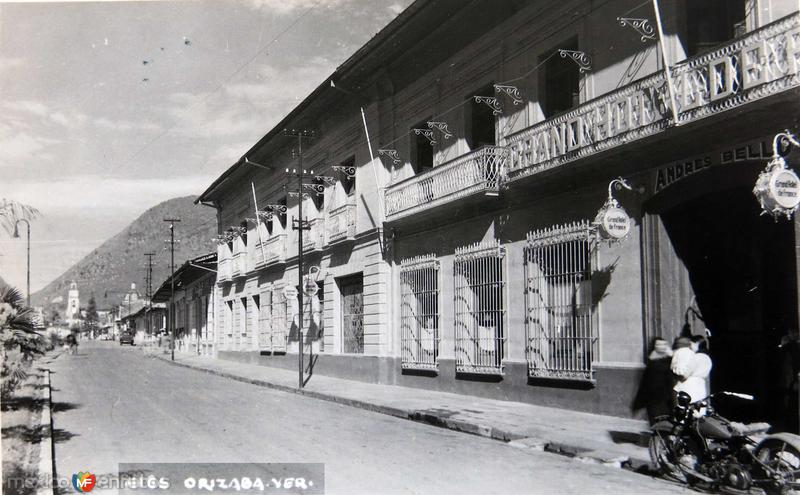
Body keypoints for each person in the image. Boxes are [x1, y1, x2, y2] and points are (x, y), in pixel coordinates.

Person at [633, 337, 674, 424]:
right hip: (654, 398)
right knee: (656, 422)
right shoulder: (652, 359)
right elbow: (646, 381)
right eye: (658, 344)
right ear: (654, 346)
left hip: (667, 397)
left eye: (664, 344)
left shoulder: (670, 359)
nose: (661, 347)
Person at [671, 335, 712, 404]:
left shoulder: (696, 357)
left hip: (690, 386)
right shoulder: (707, 359)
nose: (690, 347)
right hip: (700, 387)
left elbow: (685, 374)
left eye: (691, 344)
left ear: (697, 344)